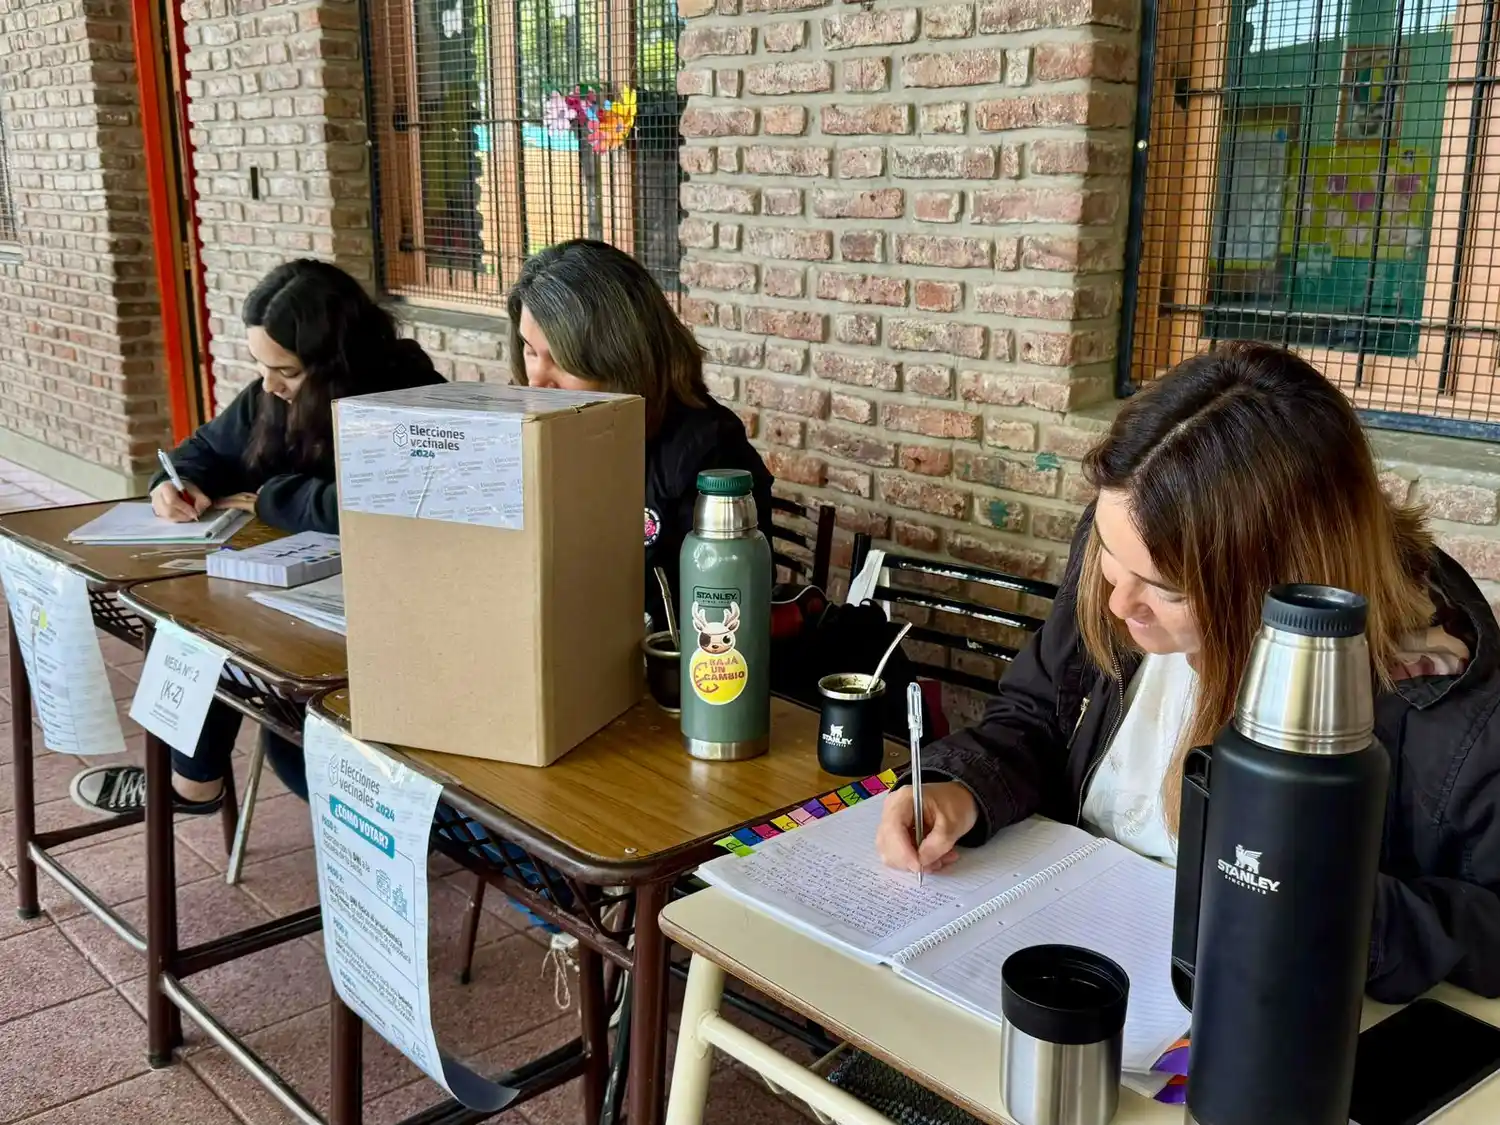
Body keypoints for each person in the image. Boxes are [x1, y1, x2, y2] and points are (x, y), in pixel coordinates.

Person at [875, 342, 1500, 1005]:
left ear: (1283, 582)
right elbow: (1036, 714)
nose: (1118, 604)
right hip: (1063, 959)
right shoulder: (1133, 542)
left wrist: (1327, 910)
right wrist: (962, 786)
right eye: (1110, 554)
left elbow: (1488, 927)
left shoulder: (1447, 710)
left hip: (1262, 1019)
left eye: (1165, 586)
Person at [70, 259, 445, 817]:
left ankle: (191, 784)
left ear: (336, 362)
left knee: (241, 661)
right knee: (198, 616)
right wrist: (174, 483)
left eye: (286, 371)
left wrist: (273, 498)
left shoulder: (417, 401)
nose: (269, 384)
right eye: (261, 367)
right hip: (297, 593)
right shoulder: (273, 395)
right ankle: (190, 783)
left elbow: (388, 502)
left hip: (392, 612)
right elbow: (205, 450)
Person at [507, 239, 774, 631]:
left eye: (562, 360)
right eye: (531, 351)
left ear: (620, 358)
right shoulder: (544, 434)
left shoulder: (708, 453)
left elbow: (721, 615)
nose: (537, 380)